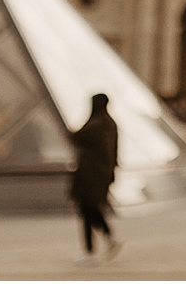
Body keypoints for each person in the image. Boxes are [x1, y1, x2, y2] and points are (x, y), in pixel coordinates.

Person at [70, 93, 122, 264]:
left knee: (87, 209)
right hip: (103, 174)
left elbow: (76, 138)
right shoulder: (111, 124)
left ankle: (93, 249)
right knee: (92, 209)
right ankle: (105, 241)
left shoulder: (95, 124)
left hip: (89, 175)